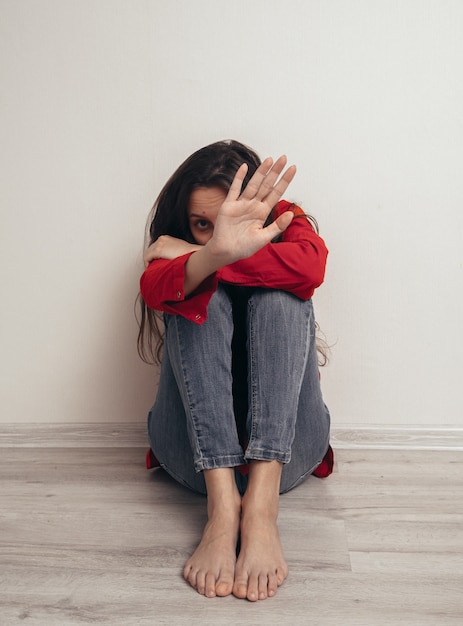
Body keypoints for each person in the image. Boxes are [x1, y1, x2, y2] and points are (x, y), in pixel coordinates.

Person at [138, 139, 332, 602]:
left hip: (288, 456)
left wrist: (198, 254)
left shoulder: (286, 219)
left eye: (225, 222)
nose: (215, 237)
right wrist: (205, 261)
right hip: (193, 458)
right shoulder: (174, 259)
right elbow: (154, 288)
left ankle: (261, 508)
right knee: (191, 290)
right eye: (200, 227)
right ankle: (223, 511)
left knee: (281, 293)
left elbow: (310, 267)